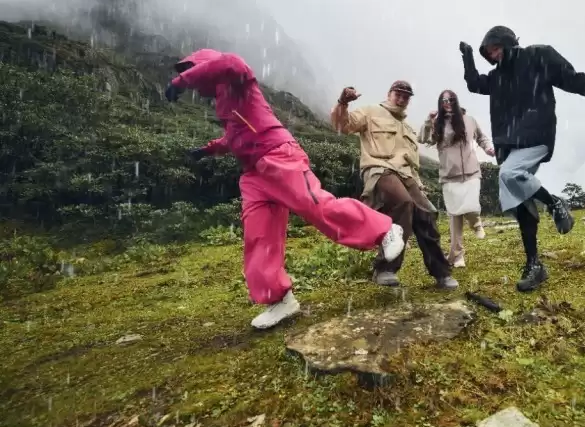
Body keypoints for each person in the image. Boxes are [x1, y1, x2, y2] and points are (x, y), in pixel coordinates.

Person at [164, 49, 405, 329]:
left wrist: (182, 81)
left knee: (316, 206)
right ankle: (279, 300)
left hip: (279, 155)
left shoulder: (238, 79)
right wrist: (206, 151)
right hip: (253, 174)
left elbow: (230, 62)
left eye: (192, 71)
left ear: (204, 67)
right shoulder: (223, 102)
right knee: (259, 235)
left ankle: (385, 230)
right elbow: (235, 136)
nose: (191, 81)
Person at [458, 26, 585, 292]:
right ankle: (534, 265)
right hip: (508, 145)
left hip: (536, 134)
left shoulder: (539, 57)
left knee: (509, 175)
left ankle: (555, 203)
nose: (492, 55)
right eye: (488, 53)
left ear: (505, 43)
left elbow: (571, 79)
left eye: (494, 49)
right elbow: (473, 84)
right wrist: (467, 58)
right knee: (521, 203)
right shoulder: (497, 77)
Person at [330, 81, 458, 290]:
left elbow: (411, 162)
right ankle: (385, 268)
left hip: (406, 175)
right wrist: (343, 102)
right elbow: (341, 125)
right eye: (398, 94)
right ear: (389, 94)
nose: (401, 99)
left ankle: (441, 273)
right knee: (403, 203)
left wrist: (418, 183)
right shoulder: (371, 112)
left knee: (427, 214)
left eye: (406, 96)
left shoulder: (407, 127)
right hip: (379, 169)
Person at [418, 90, 494, 268]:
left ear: (456, 100)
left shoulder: (469, 120)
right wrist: (428, 121)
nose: (447, 102)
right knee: (455, 216)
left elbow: (482, 137)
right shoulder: (437, 123)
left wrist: (489, 148)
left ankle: (476, 223)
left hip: (471, 171)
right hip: (449, 176)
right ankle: (457, 256)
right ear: (440, 102)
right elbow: (422, 139)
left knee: (472, 206)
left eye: (450, 99)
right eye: (443, 100)